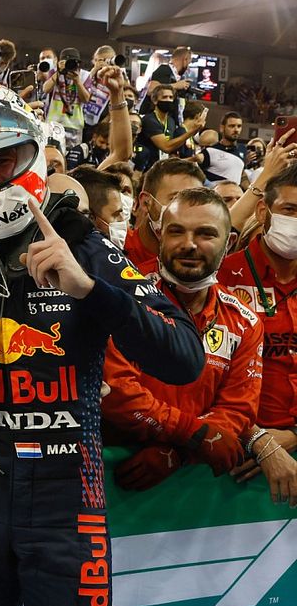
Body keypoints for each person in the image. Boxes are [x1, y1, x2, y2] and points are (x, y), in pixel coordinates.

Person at [0, 81, 205, 606]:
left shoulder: (82, 242)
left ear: (33, 153)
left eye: (4, 160)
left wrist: (91, 291)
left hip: (67, 500)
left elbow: (183, 358)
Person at [102, 188, 262, 489]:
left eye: (205, 234)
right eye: (176, 231)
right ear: (160, 235)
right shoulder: (122, 297)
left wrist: (180, 453)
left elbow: (238, 409)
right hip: (112, 475)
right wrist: (195, 435)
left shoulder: (245, 321)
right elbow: (117, 393)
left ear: (228, 243)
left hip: (194, 487)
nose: (189, 244)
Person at [220, 163, 297, 505]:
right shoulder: (223, 275)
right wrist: (257, 439)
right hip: (236, 457)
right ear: (264, 211)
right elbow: (203, 375)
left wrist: (293, 436)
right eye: (290, 210)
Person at [124, 157, 206, 271]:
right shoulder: (117, 247)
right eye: (176, 199)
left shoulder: (204, 255)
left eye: (197, 202)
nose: (189, 211)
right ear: (146, 202)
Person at [136, 85, 207, 172]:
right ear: (155, 100)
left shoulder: (171, 121)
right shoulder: (150, 120)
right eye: (164, 97)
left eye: (171, 97)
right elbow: (166, 147)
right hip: (146, 168)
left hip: (161, 167)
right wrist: (192, 131)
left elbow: (172, 149)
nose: (168, 100)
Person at [198, 112, 245, 184]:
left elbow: (241, 174)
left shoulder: (243, 150)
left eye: (239, 126)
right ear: (222, 128)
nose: (236, 130)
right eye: (232, 126)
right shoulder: (210, 151)